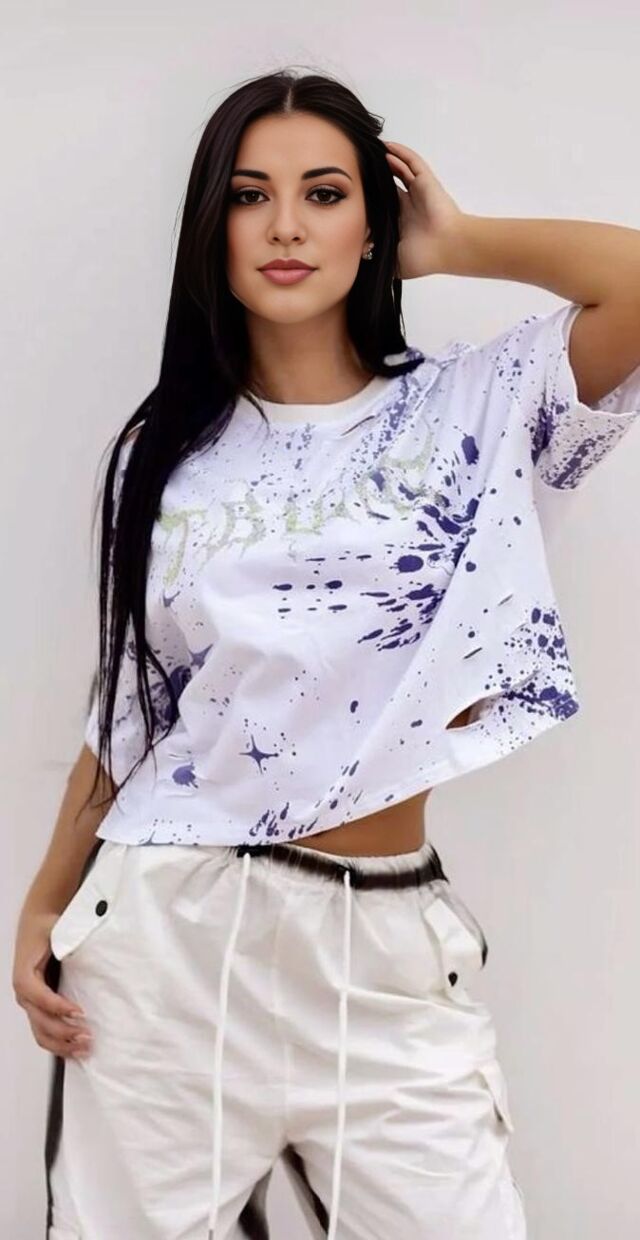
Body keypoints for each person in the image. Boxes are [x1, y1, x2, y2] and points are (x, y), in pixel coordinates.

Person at [12, 67, 640, 1240]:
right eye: (251, 196)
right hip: (166, 944)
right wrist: (43, 903)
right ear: (213, 225)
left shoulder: (471, 410)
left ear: (371, 222)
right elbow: (135, 704)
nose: (287, 226)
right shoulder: (162, 455)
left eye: (324, 192)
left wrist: (457, 241)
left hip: (383, 955)